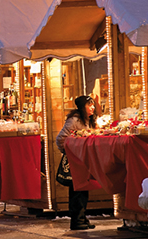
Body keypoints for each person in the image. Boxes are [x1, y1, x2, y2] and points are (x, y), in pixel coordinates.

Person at [56, 95, 97, 231]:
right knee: (77, 191)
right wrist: (68, 152)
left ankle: (82, 217)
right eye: (89, 105)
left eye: (93, 104)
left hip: (84, 160)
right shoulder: (74, 121)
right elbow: (60, 138)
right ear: (82, 107)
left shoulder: (90, 120)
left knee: (83, 190)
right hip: (76, 161)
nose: (92, 107)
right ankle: (77, 220)